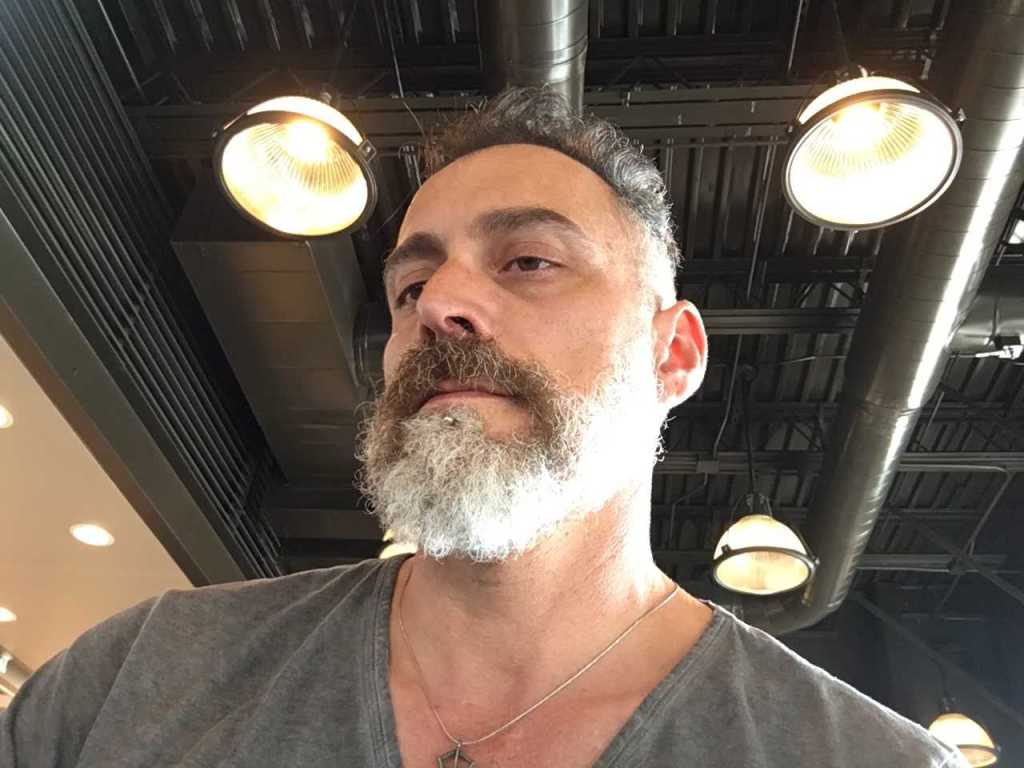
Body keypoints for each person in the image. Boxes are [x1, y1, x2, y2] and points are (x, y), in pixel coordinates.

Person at [0, 88, 965, 768]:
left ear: (672, 354)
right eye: (411, 284)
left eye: (529, 262)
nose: (439, 304)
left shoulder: (863, 757)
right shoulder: (136, 678)